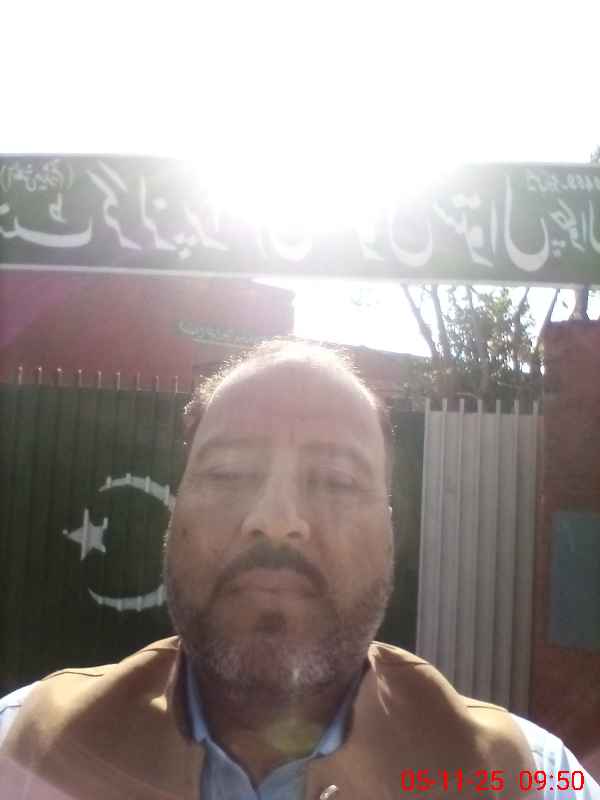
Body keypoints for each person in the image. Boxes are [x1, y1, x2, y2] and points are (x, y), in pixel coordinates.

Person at [0, 339, 598, 799]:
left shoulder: (526, 776)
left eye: (336, 480)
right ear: (174, 510)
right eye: (228, 473)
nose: (275, 519)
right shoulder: (26, 749)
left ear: (390, 531)